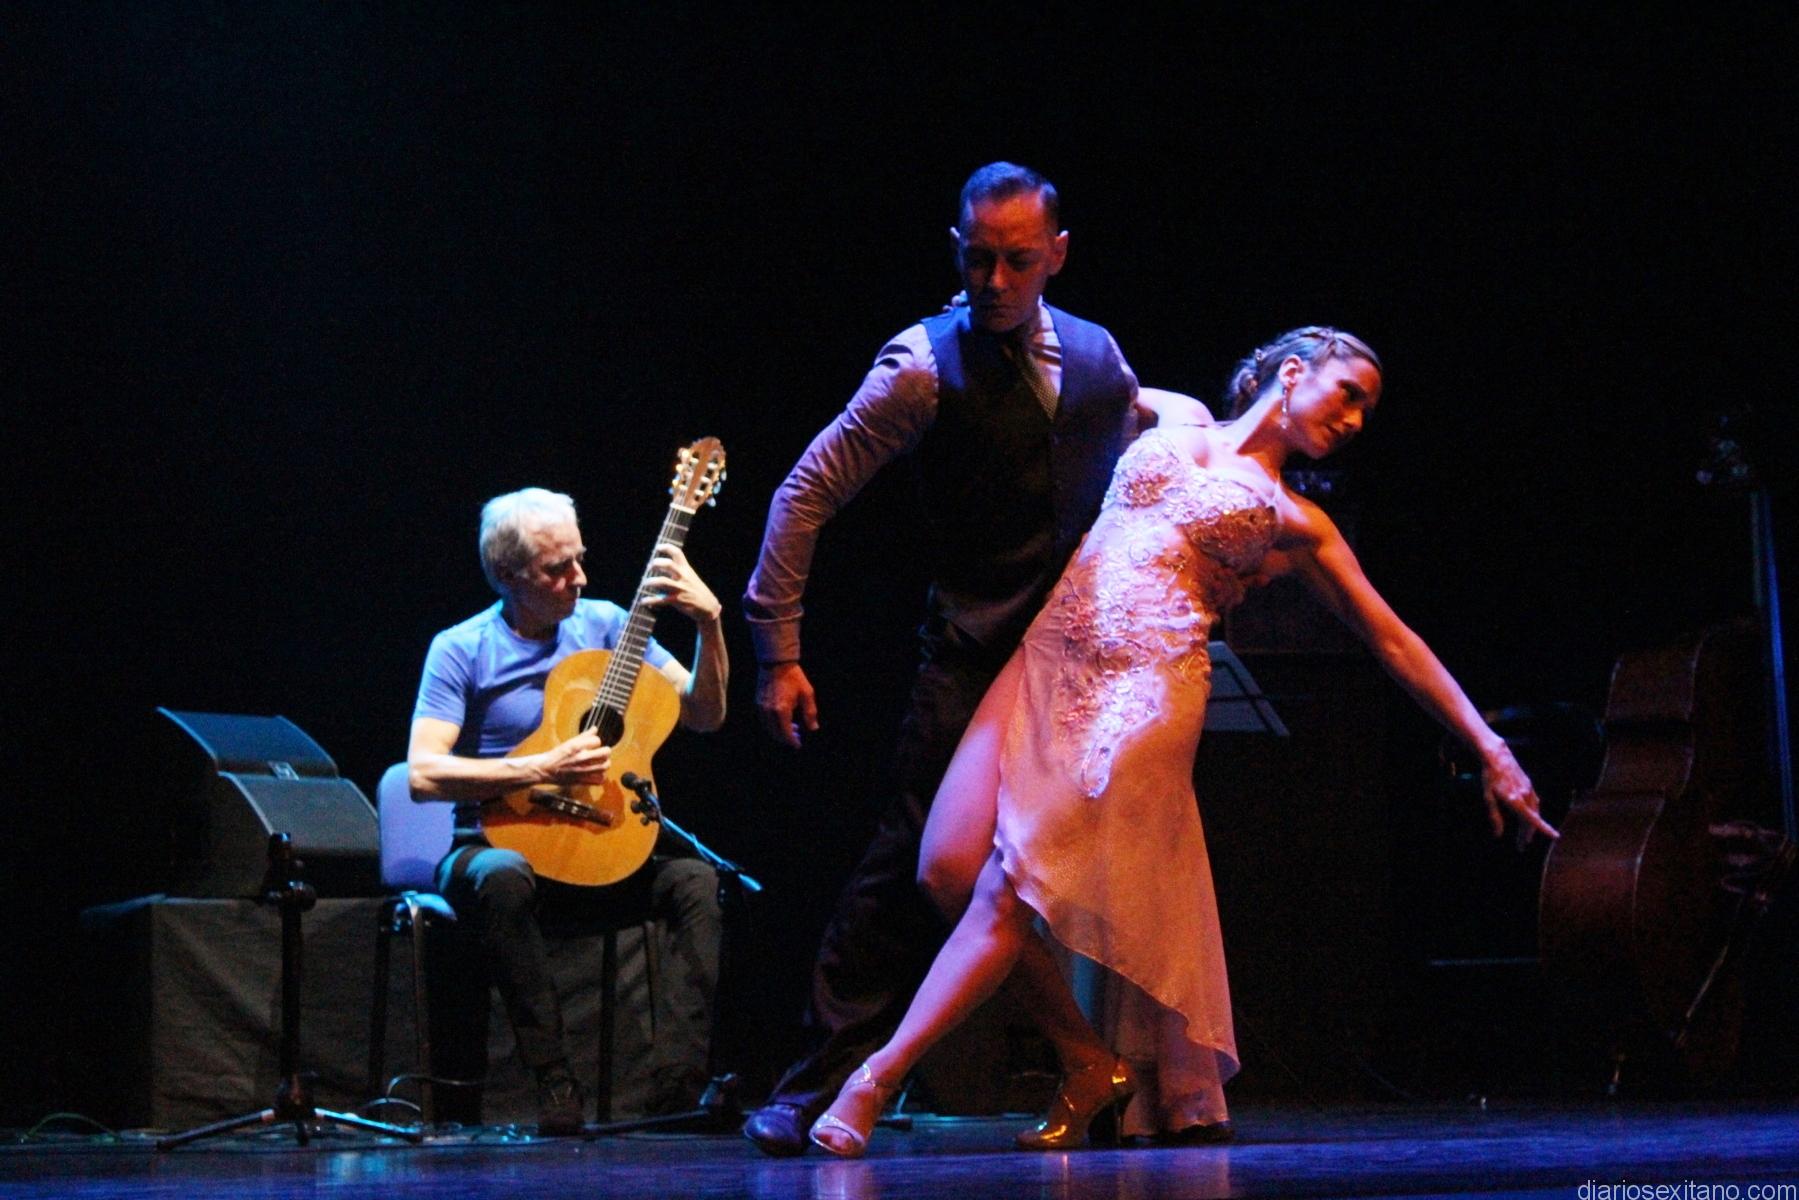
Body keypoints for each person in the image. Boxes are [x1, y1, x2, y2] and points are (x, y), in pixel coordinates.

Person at [804, 327, 1562, 1156]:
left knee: (1008, 888)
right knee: (946, 867)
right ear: (1293, 372)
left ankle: (872, 1080)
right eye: (1348, 393)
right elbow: (1067, 388)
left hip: (1146, 692)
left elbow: (1392, 639)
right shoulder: (1175, 415)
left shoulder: (1296, 520)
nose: (1353, 420)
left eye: (1366, 413)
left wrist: (1490, 747)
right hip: (1051, 652)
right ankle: (1087, 1061)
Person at [741, 162, 1155, 1155]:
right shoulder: (920, 366)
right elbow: (803, 493)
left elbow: (1140, 459)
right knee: (909, 872)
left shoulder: (1099, 360)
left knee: (1048, 882)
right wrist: (776, 651)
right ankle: (815, 1086)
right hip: (971, 661)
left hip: (1074, 668)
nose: (994, 281)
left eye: (1017, 261)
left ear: (1056, 255)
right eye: (977, 259)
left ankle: (1102, 1066)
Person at [407, 487, 729, 1134]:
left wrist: (709, 623)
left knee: (696, 882)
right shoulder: (461, 648)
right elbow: (422, 774)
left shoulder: (607, 625)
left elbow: (704, 713)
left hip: (599, 844)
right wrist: (541, 767)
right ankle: (553, 1080)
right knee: (502, 877)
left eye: (580, 559)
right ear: (508, 576)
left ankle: (677, 1091)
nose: (578, 578)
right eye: (557, 568)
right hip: (492, 843)